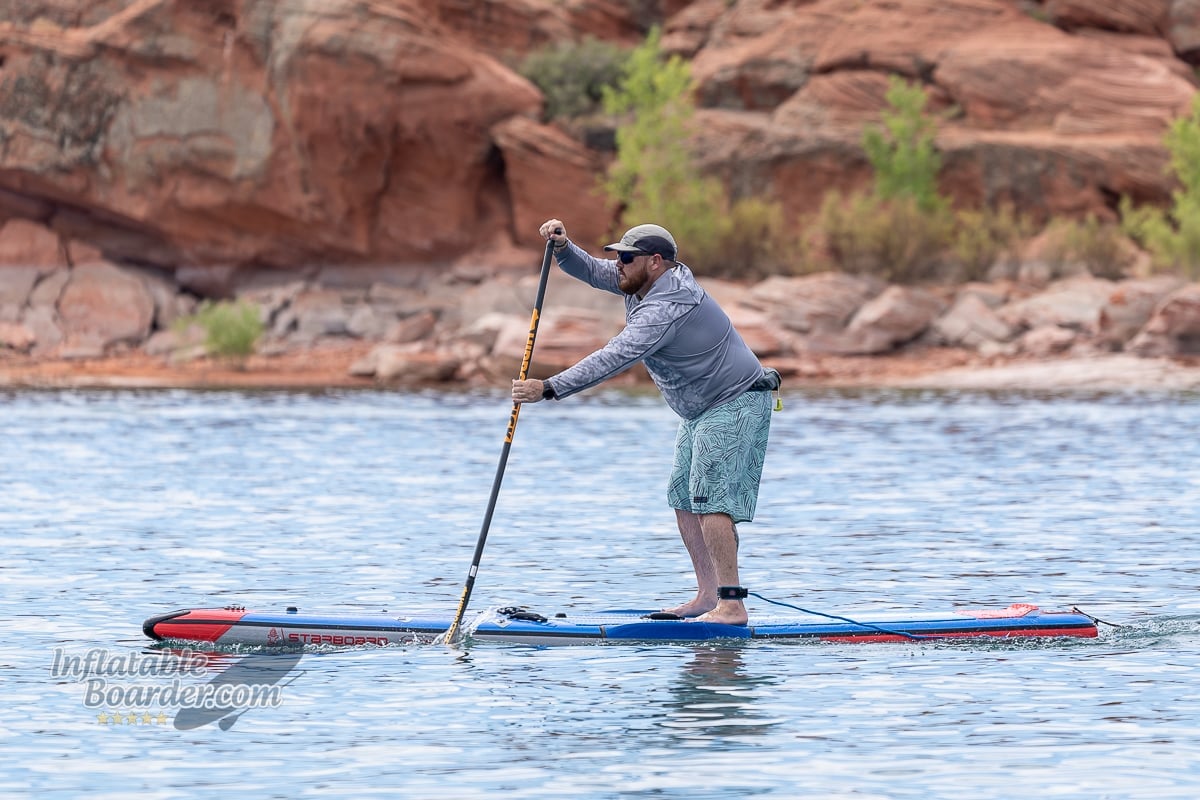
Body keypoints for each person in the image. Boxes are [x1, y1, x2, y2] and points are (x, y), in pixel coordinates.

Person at [511, 219, 779, 625]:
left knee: (711, 502)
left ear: (655, 262)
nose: (617, 264)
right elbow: (593, 271)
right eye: (617, 256)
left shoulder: (668, 307)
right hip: (700, 409)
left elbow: (614, 357)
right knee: (683, 499)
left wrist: (549, 388)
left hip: (736, 401)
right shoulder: (642, 280)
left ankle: (732, 605)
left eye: (626, 258)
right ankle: (708, 596)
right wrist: (564, 249)